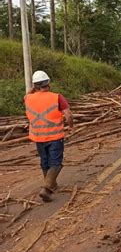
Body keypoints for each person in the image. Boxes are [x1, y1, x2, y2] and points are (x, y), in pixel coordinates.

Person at [24, 70, 74, 202]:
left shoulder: (28, 98)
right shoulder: (57, 97)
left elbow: (28, 94)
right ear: (48, 83)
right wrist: (71, 126)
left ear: (35, 85)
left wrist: (33, 89)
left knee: (45, 162)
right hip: (55, 136)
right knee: (56, 163)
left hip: (38, 137)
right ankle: (46, 188)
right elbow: (68, 115)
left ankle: (53, 184)